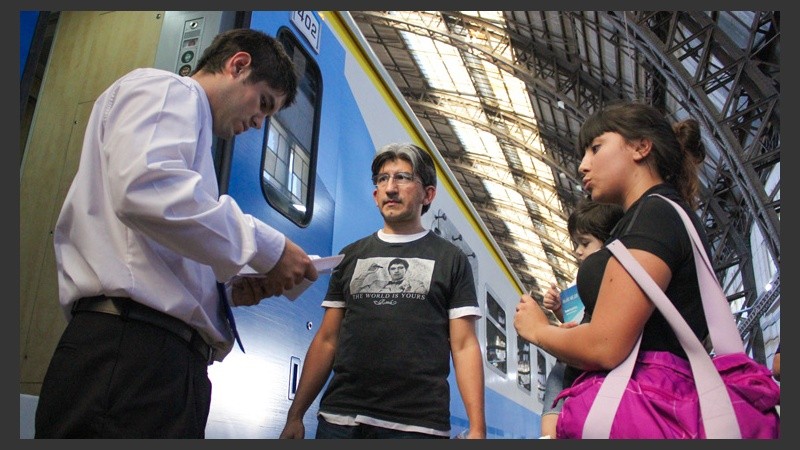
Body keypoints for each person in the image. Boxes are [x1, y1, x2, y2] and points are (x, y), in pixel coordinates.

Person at [34, 28, 319, 438]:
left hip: (158, 362)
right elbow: (146, 191)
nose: (259, 123)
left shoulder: (192, 135)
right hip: (131, 354)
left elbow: (157, 237)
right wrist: (268, 247)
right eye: (263, 103)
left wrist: (227, 290)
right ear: (238, 65)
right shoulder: (169, 91)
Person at [514, 102, 712, 438]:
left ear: (641, 147)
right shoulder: (653, 216)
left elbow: (605, 345)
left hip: (645, 412)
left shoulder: (654, 216)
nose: (582, 165)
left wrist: (538, 330)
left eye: (595, 148)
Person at [279, 143, 486, 439]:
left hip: (416, 426)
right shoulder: (351, 256)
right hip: (340, 420)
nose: (390, 188)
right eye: (383, 179)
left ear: (428, 194)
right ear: (375, 195)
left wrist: (477, 428)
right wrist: (295, 415)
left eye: (403, 177)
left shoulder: (450, 259)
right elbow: (327, 339)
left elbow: (464, 345)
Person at [539, 199, 623, 439]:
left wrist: (540, 330)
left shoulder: (612, 279)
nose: (577, 250)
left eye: (585, 243)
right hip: (572, 370)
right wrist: (559, 311)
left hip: (583, 371)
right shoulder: (584, 281)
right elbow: (581, 321)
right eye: (577, 243)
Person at [352, 257, 427, 293]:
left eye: (400, 268)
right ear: (389, 272)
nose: (396, 271)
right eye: (393, 269)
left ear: (406, 270)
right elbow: (354, 291)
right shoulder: (376, 284)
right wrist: (367, 272)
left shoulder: (416, 284)